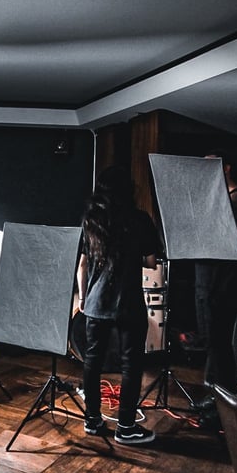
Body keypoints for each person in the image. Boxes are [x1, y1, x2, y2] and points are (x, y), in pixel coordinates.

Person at [77, 165, 160, 445]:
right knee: (131, 365)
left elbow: (83, 264)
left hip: (96, 302)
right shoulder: (139, 219)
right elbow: (151, 262)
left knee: (92, 360)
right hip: (128, 302)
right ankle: (126, 427)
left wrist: (82, 298)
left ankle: (92, 420)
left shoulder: (91, 220)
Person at [201, 152, 237, 393]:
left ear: (226, 168)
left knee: (220, 340)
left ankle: (224, 398)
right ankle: (215, 392)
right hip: (216, 279)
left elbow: (233, 243)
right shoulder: (223, 198)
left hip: (229, 281)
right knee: (213, 339)